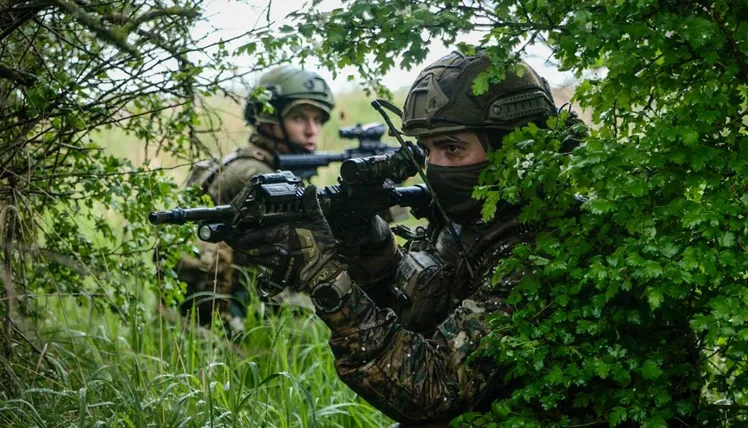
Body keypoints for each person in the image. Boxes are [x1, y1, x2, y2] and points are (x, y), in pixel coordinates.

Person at [224, 51, 560, 424]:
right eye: (427, 150)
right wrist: (372, 247)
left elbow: (435, 389)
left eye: (451, 148)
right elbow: (420, 319)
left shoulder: (538, 250)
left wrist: (323, 274)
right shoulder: (471, 223)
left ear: (511, 146)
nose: (434, 167)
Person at [174, 65, 335, 333]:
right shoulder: (257, 175)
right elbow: (306, 251)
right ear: (267, 119)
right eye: (299, 118)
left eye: (318, 120)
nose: (312, 131)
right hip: (224, 313)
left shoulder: (249, 163)